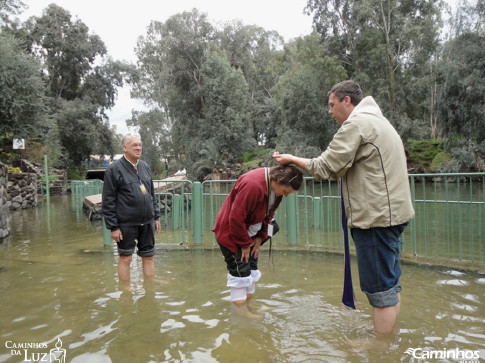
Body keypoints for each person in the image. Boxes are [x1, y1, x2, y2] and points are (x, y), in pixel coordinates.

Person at [273, 80, 415, 335]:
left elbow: (326, 167)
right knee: (391, 283)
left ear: (346, 101)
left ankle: (381, 348)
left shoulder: (357, 124)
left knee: (380, 288)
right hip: (393, 214)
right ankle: (386, 331)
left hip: (376, 218)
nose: (330, 111)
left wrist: (292, 158)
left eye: (332, 104)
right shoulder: (379, 121)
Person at [213, 165, 303, 318]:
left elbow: (270, 214)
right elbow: (235, 217)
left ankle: (248, 304)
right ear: (278, 181)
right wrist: (243, 244)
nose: (286, 195)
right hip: (233, 235)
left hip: (251, 235)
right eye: (286, 191)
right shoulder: (253, 185)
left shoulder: (276, 190)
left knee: (251, 268)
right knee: (240, 272)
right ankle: (240, 314)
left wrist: (260, 238)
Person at [102, 132, 161, 288]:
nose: (138, 148)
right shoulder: (114, 169)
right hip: (126, 223)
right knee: (126, 257)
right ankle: (126, 290)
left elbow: (151, 194)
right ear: (125, 147)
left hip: (147, 221)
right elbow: (108, 200)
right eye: (134, 145)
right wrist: (113, 227)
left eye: (140, 145)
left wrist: (156, 217)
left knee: (148, 256)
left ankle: (150, 288)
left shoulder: (145, 167)